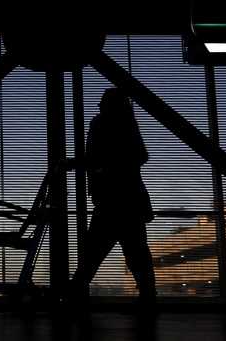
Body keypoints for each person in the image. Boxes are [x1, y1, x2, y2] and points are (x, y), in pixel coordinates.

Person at [71, 87, 157, 305]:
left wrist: (96, 166)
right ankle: (148, 297)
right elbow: (140, 156)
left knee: (95, 250)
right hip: (129, 199)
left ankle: (73, 293)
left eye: (103, 103)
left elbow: (95, 158)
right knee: (134, 251)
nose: (99, 107)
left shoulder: (101, 124)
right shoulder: (126, 124)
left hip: (112, 199)